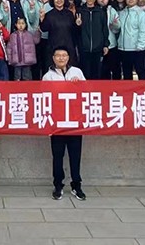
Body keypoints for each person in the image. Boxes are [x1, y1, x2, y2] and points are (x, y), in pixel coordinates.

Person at [43, 47, 87, 201]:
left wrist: (78, 85)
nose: (61, 58)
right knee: (57, 156)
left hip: (75, 122)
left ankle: (76, 185)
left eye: (64, 55)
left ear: (68, 57)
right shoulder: (48, 76)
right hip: (57, 123)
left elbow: (87, 93)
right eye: (58, 55)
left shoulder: (77, 72)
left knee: (75, 155)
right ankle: (58, 185)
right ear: (53, 58)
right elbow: (44, 97)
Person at [21, 0, 51, 80]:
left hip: (49, 36)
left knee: (47, 62)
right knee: (36, 63)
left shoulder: (53, 2)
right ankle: (36, 84)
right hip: (35, 36)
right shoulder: (33, 0)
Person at [77, 0, 109, 80]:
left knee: (96, 73)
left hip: (97, 48)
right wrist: (78, 25)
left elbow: (104, 29)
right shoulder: (80, 11)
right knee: (84, 73)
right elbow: (75, 30)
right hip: (84, 48)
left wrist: (105, 44)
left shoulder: (101, 12)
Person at [40, 0, 78, 68]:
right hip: (53, 46)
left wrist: (78, 24)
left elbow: (74, 30)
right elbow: (44, 29)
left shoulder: (70, 14)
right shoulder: (49, 14)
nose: (59, 0)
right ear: (53, 0)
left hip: (68, 46)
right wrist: (41, 18)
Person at [117, 0, 145, 80]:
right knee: (126, 72)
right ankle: (129, 89)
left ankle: (143, 88)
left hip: (136, 48)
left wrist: (140, 46)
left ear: (137, 0)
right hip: (123, 48)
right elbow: (118, 29)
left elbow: (143, 31)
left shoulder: (141, 13)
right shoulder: (122, 13)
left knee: (140, 71)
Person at [98, 0, 121, 80]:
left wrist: (115, 24)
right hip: (96, 45)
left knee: (113, 68)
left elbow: (117, 28)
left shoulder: (111, 10)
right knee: (101, 71)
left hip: (110, 44)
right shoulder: (92, 9)